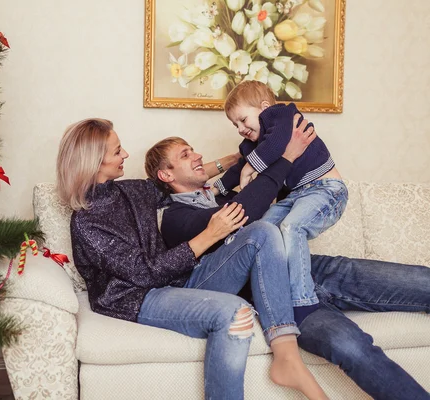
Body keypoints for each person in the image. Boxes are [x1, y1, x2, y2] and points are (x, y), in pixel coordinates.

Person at [56, 118, 328, 400]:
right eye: (117, 151)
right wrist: (210, 234)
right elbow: (145, 275)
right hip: (136, 298)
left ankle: (287, 356)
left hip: (179, 281)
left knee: (262, 231)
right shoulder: (87, 222)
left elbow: (176, 179)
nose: (125, 154)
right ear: (94, 162)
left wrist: (235, 159)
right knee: (234, 313)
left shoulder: (129, 190)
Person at [147, 134, 430, 400]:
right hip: (281, 298)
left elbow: (283, 194)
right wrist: (286, 156)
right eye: (186, 154)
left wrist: (254, 154)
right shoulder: (175, 218)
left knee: (421, 283)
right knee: (354, 349)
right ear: (166, 175)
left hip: (313, 268)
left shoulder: (224, 195)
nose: (197, 155)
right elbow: (247, 211)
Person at [218, 80, 347, 322]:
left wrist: (250, 167)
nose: (240, 128)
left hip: (326, 190)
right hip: (296, 195)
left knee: (291, 227)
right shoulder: (253, 145)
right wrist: (218, 187)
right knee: (262, 230)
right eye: (235, 124)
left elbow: (276, 145)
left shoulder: (281, 115)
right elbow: (238, 168)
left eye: (243, 120)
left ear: (264, 107)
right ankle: (265, 293)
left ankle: (303, 303)